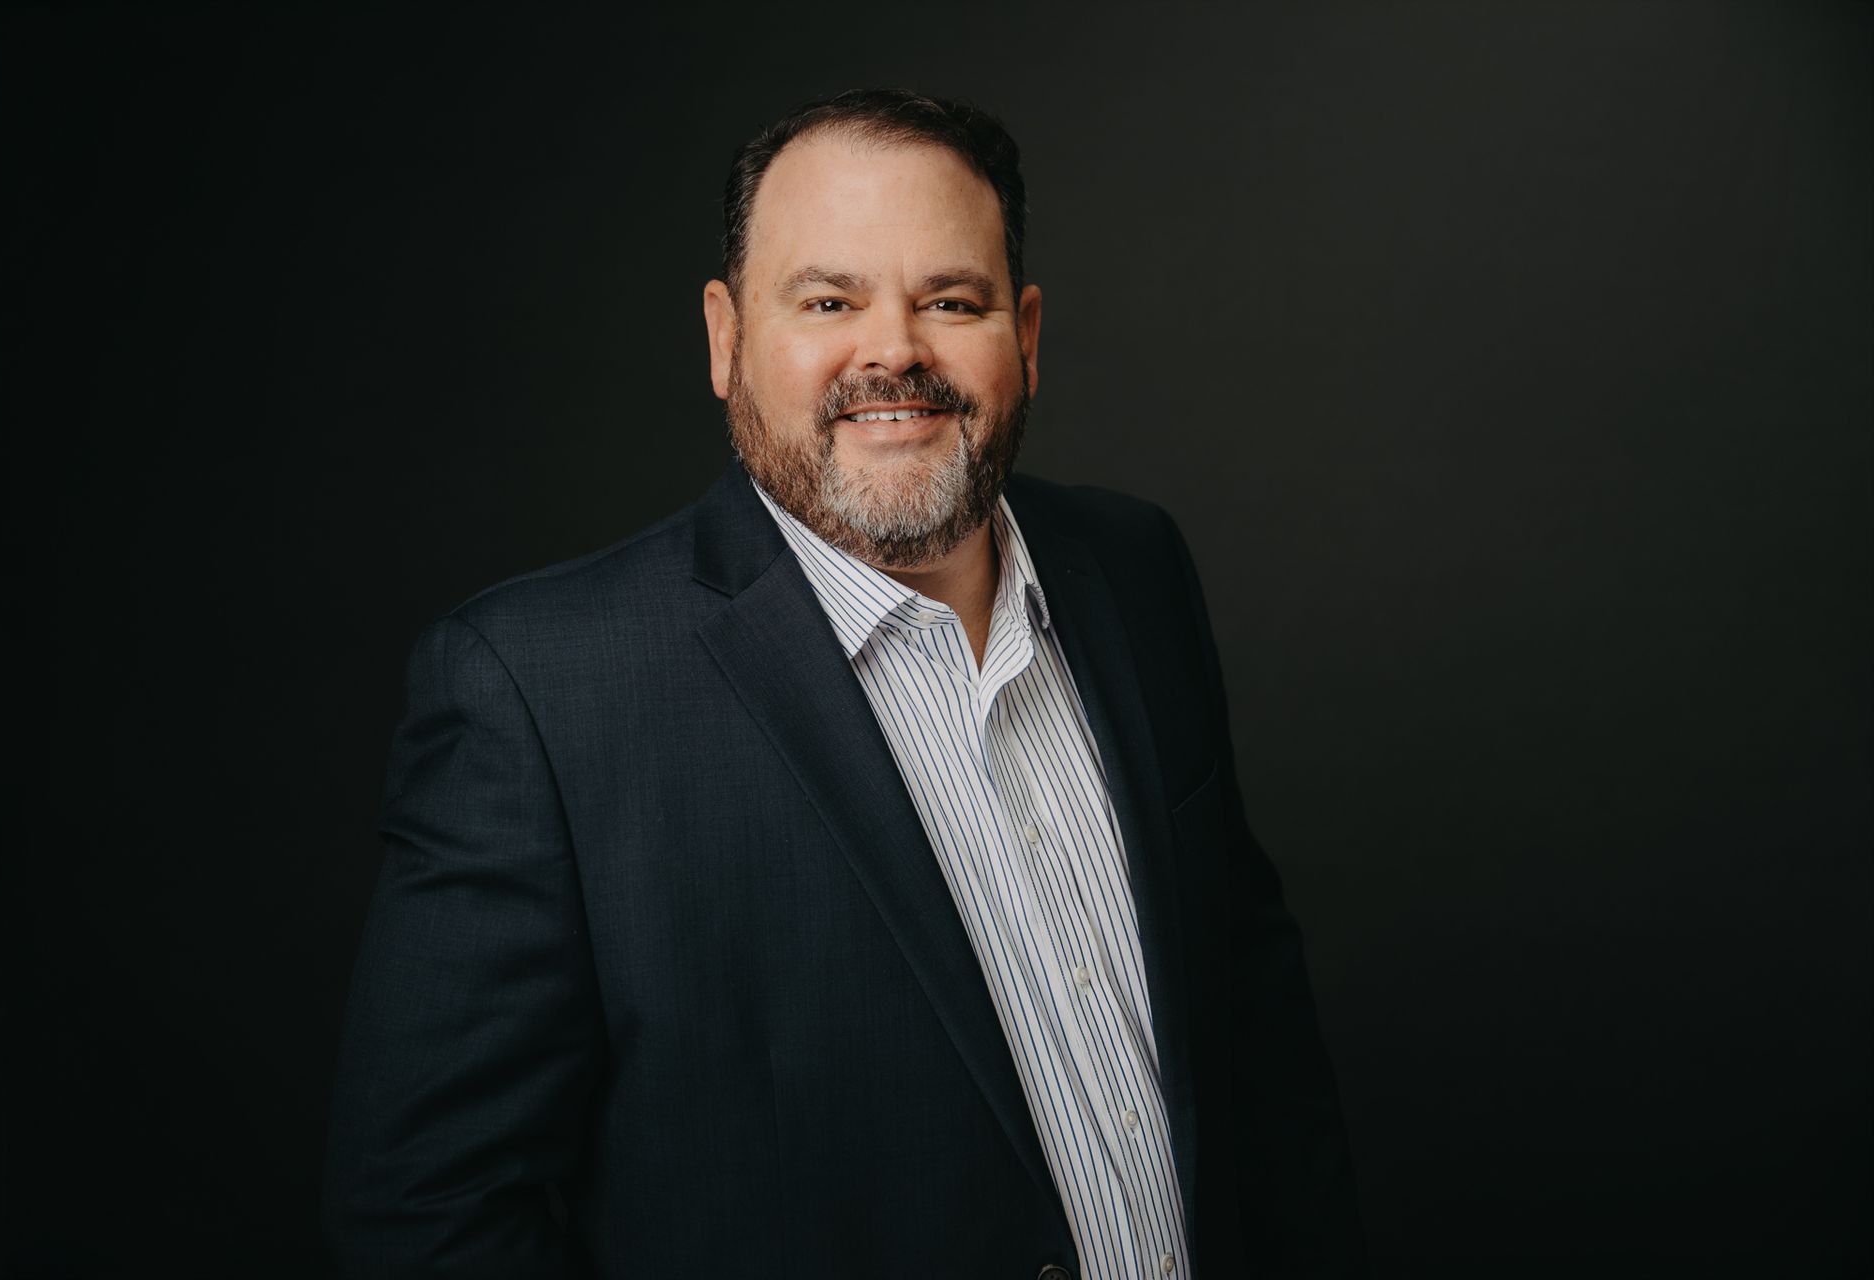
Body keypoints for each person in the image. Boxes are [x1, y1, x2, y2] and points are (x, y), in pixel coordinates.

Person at [323, 88, 1364, 1279]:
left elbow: (1258, 1044)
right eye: (829, 299)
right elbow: (429, 1213)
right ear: (725, 338)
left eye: (950, 300)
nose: (894, 350)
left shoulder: (1136, 575)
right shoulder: (537, 691)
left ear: (1025, 333)